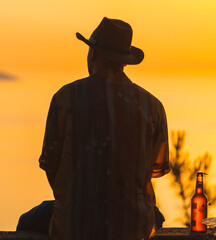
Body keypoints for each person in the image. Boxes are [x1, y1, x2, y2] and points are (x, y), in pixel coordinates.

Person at [17, 17, 170, 240]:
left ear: (93, 54)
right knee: (155, 215)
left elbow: (51, 165)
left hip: (76, 221)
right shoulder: (152, 106)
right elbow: (155, 169)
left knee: (26, 221)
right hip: (131, 225)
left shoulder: (65, 98)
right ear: (124, 62)